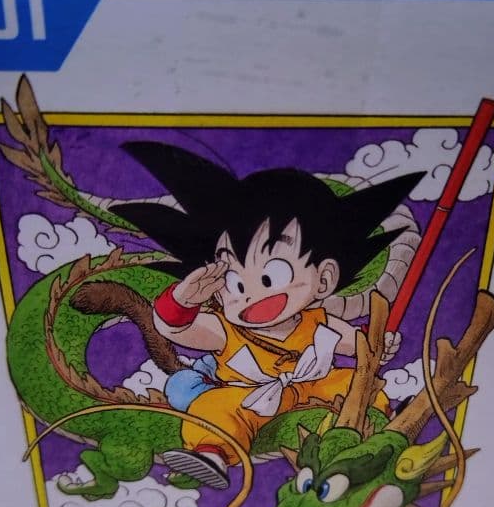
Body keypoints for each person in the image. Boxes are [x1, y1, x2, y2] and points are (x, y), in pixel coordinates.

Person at [111, 142, 425, 489]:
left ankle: (383, 424)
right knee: (214, 405)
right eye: (234, 282)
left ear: (323, 279)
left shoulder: (319, 320)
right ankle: (212, 453)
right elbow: (175, 328)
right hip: (249, 397)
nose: (249, 294)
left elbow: (357, 345)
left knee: (353, 383)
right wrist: (182, 299)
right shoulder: (225, 329)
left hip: (315, 387)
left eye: (270, 277)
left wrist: (379, 345)